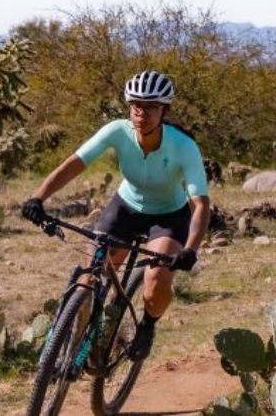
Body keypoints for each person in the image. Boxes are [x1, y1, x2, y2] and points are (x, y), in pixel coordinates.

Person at [20, 70, 211, 361]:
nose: (140, 113)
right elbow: (74, 163)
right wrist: (38, 197)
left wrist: (190, 249)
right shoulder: (117, 131)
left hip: (168, 216)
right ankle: (69, 348)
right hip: (126, 206)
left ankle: (147, 325)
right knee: (89, 277)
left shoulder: (184, 146)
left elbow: (200, 204)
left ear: (164, 111)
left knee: (157, 278)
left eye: (150, 107)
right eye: (135, 105)